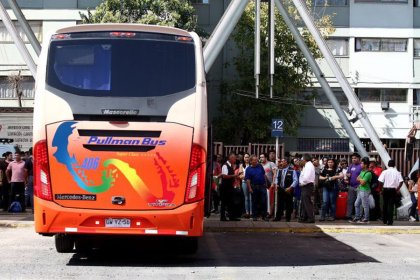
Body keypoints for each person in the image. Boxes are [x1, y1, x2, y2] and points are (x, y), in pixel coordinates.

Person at [378, 159, 403, 226]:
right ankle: (390, 221)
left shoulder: (384, 172)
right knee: (391, 205)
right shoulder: (397, 172)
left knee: (385, 205)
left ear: (388, 165)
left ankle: (384, 220)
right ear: (394, 165)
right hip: (393, 190)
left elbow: (380, 181)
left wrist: (380, 190)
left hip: (385, 189)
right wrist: (397, 189)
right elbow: (401, 182)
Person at [245, 155, 268, 221]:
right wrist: (249, 188)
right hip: (254, 187)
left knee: (263, 201)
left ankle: (264, 216)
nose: (256, 161)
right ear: (251, 161)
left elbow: (264, 175)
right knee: (254, 202)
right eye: (254, 160)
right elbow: (248, 180)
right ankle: (255, 216)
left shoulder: (260, 166)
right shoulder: (248, 169)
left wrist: (266, 184)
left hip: (262, 186)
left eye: (256, 160)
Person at [220, 153, 240, 221]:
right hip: (225, 187)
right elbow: (224, 176)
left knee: (230, 202)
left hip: (229, 186)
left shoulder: (230, 165)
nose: (235, 159)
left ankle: (231, 216)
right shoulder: (225, 166)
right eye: (234, 158)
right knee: (224, 202)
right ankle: (222, 217)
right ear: (230, 158)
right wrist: (234, 176)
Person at [298, 154, 315, 223]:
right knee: (304, 203)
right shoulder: (306, 165)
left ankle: (310, 218)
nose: (301, 161)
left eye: (301, 159)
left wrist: (302, 183)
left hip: (306, 185)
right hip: (305, 185)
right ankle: (304, 217)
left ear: (305, 159)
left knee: (307, 203)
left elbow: (306, 178)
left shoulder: (309, 166)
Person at [259, 153, 277, 218]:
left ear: (266, 157)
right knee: (263, 199)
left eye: (262, 157)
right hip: (262, 185)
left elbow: (275, 173)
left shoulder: (271, 164)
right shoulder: (259, 165)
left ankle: (270, 213)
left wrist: (273, 183)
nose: (261, 158)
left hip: (270, 185)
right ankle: (264, 212)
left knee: (271, 199)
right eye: (260, 157)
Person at [346, 153, 362, 220]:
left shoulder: (361, 166)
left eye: (355, 158)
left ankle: (358, 216)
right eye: (352, 158)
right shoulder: (351, 166)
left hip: (359, 187)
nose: (353, 159)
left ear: (359, 158)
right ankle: (348, 215)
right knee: (350, 201)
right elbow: (348, 173)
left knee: (359, 203)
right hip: (351, 187)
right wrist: (347, 175)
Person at [239, 153, 252, 218]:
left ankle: (252, 212)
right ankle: (247, 212)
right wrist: (247, 176)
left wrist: (245, 176)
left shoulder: (252, 165)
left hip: (251, 183)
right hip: (244, 183)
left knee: (251, 197)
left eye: (247, 157)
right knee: (246, 198)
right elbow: (240, 176)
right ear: (243, 158)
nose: (246, 158)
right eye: (245, 157)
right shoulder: (241, 165)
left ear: (250, 158)